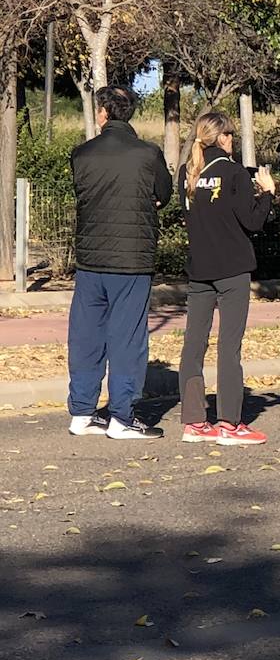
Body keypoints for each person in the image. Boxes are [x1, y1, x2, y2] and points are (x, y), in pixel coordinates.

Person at [67, 86, 172, 440]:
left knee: (86, 335)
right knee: (126, 338)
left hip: (90, 258)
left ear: (102, 113)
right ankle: (121, 417)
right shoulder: (148, 153)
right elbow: (165, 193)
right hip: (131, 260)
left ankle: (81, 411)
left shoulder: (81, 154)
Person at [177, 111, 275, 444]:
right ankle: (230, 424)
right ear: (221, 138)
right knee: (229, 345)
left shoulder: (187, 174)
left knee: (194, 344)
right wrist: (268, 193)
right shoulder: (233, 173)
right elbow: (253, 222)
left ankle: (193, 421)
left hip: (199, 270)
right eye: (230, 133)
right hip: (232, 269)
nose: (233, 138)